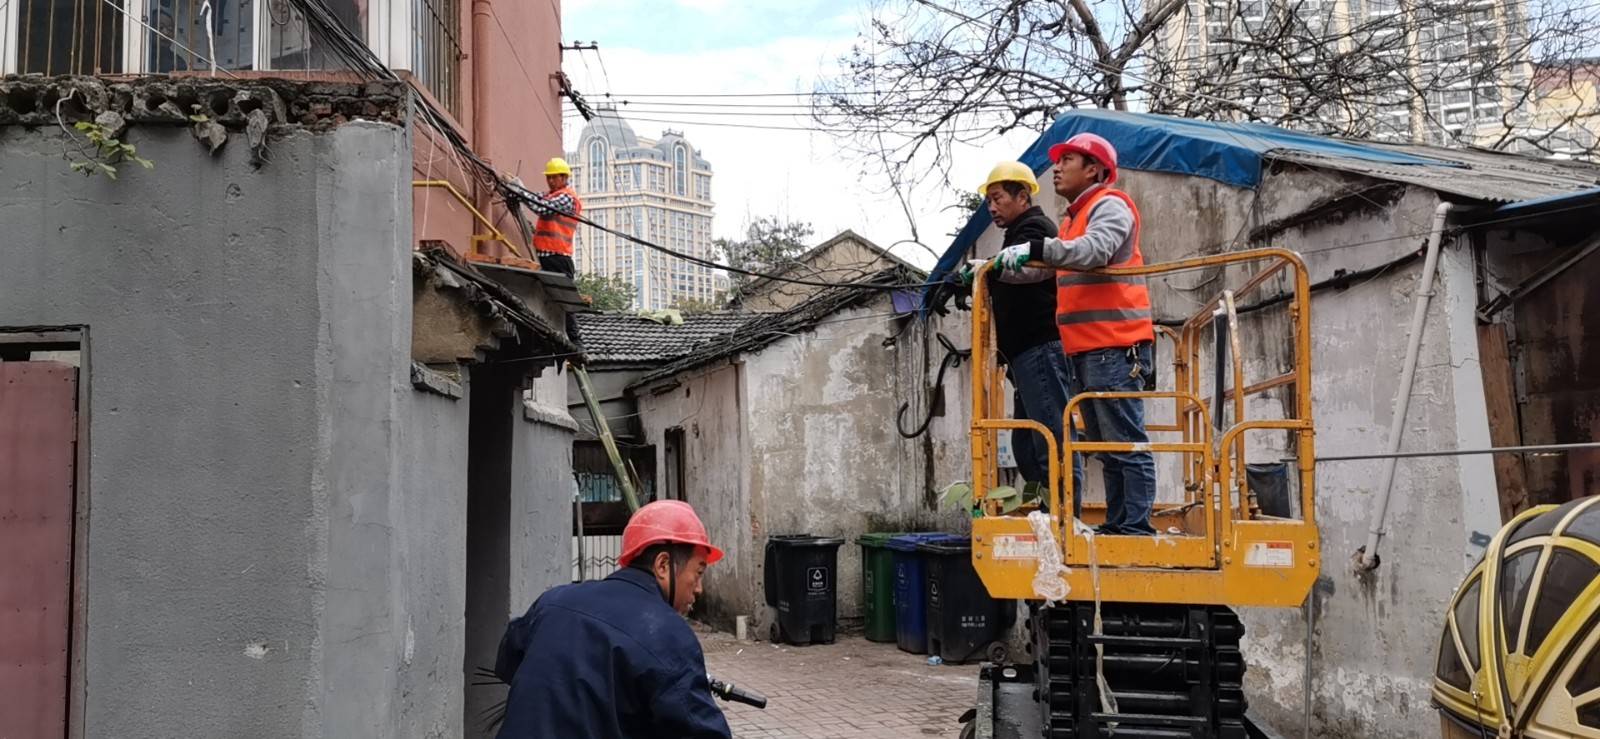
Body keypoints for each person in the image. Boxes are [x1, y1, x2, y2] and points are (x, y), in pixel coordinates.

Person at [994, 133, 1157, 535]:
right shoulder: (1071, 220)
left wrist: (1035, 249)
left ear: (1095, 169)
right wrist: (993, 267)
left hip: (1116, 346)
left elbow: (1094, 251)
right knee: (1103, 444)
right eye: (1059, 160)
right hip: (1086, 349)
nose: (1058, 167)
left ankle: (1134, 526)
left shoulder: (1110, 206)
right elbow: (1044, 269)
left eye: (1069, 159)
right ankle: (1119, 524)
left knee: (1124, 442)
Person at [493, 500, 732, 738]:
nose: (699, 589)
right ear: (663, 564)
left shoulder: (553, 600)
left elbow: (507, 662)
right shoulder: (668, 633)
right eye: (698, 573)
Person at [963, 161, 1082, 512]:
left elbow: (1028, 271)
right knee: (1028, 444)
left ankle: (1064, 517)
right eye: (988, 202)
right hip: (1023, 354)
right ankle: (1047, 510)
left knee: (1050, 436)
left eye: (998, 198)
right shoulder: (1017, 231)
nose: (992, 208)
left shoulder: (1036, 227)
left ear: (1022, 195)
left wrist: (988, 267)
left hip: (1040, 346)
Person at [527, 157, 582, 277]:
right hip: (545, 256)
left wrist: (520, 193)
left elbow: (541, 208)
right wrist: (520, 192)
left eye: (554, 177)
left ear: (564, 177)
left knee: (557, 293)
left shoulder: (567, 197)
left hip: (557, 257)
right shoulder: (549, 195)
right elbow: (534, 197)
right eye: (548, 177)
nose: (550, 181)